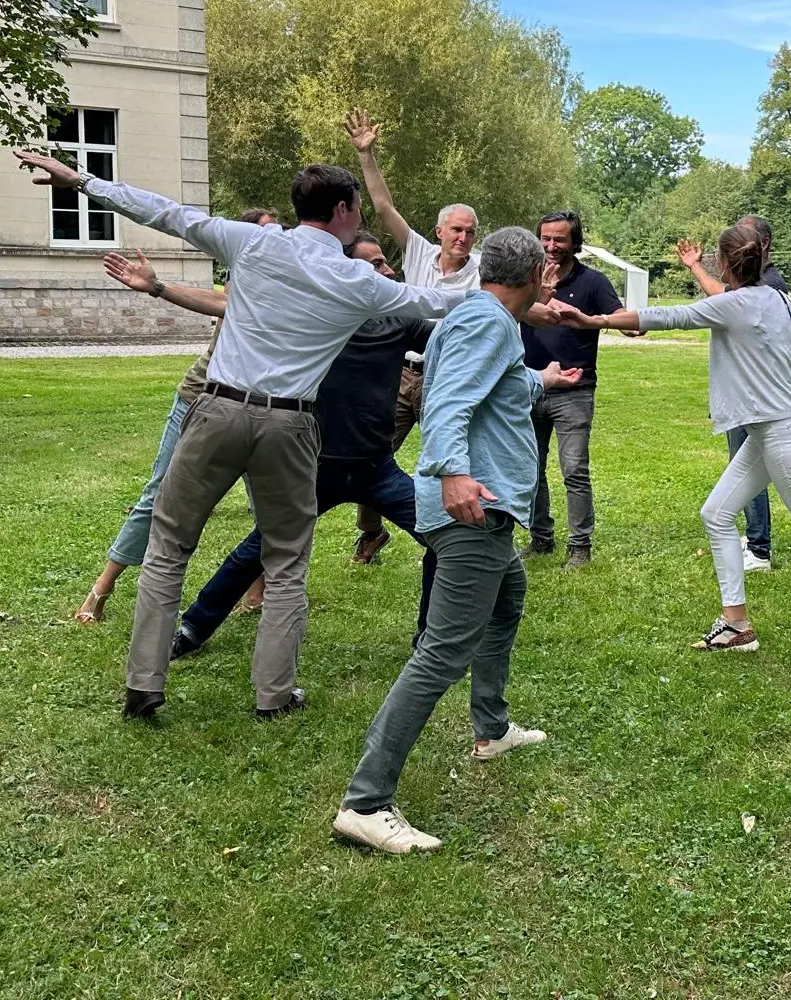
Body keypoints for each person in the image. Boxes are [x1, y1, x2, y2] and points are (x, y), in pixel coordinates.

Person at [14, 149, 468, 721]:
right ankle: (273, 696)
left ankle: (143, 686)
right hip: (291, 424)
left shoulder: (252, 241)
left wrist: (80, 180)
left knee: (169, 548)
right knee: (285, 562)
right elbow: (441, 301)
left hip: (217, 409)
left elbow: (165, 213)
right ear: (346, 209)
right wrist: (519, 300)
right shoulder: (357, 279)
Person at [333, 227, 581, 856]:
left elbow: (495, 390)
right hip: (472, 506)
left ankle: (491, 728)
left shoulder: (482, 320)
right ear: (531, 277)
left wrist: (544, 379)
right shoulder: (488, 322)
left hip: (481, 505)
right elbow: (446, 401)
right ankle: (365, 802)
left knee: (507, 602)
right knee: (442, 653)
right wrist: (452, 471)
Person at [560, 222, 791, 651]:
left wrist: (592, 319)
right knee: (716, 514)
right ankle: (736, 625)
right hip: (773, 431)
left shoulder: (734, 304)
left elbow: (666, 317)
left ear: (724, 262)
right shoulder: (777, 298)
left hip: (783, 437)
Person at [169, 231, 439, 658]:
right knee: (260, 548)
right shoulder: (317, 321)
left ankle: (429, 641)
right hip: (316, 468)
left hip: (376, 468)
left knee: (443, 538)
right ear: (347, 273)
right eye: (375, 265)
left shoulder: (399, 322)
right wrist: (158, 286)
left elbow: (453, 335)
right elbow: (232, 307)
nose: (388, 272)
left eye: (387, 263)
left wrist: (520, 309)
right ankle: (192, 629)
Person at [75, 208, 279, 623]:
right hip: (197, 399)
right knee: (158, 494)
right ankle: (104, 585)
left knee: (268, 507)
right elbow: (222, 304)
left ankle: (260, 588)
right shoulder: (240, 285)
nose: (275, 239)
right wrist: (159, 287)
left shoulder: (292, 286)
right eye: (264, 232)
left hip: (259, 411)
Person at [343, 108, 481, 566]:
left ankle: (463, 540)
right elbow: (382, 207)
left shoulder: (482, 272)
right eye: (456, 229)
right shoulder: (418, 251)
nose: (463, 237)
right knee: (373, 456)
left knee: (456, 462)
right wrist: (367, 155)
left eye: (470, 231)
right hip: (404, 376)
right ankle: (371, 531)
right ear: (440, 231)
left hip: (448, 380)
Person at [522, 210, 637, 569]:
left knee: (574, 469)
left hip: (574, 389)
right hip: (530, 385)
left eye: (559, 239)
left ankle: (579, 545)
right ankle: (540, 539)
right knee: (529, 469)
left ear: (575, 242)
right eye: (545, 238)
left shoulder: (593, 282)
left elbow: (627, 324)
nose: (551, 246)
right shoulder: (526, 278)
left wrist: (600, 321)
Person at [678, 214, 789, 574]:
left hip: (757, 404)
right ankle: (754, 544)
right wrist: (696, 267)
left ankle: (759, 548)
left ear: (763, 246)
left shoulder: (770, 287)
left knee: (750, 476)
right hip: (751, 400)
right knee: (738, 482)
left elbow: (708, 307)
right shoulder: (753, 287)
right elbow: (720, 299)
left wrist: (595, 320)